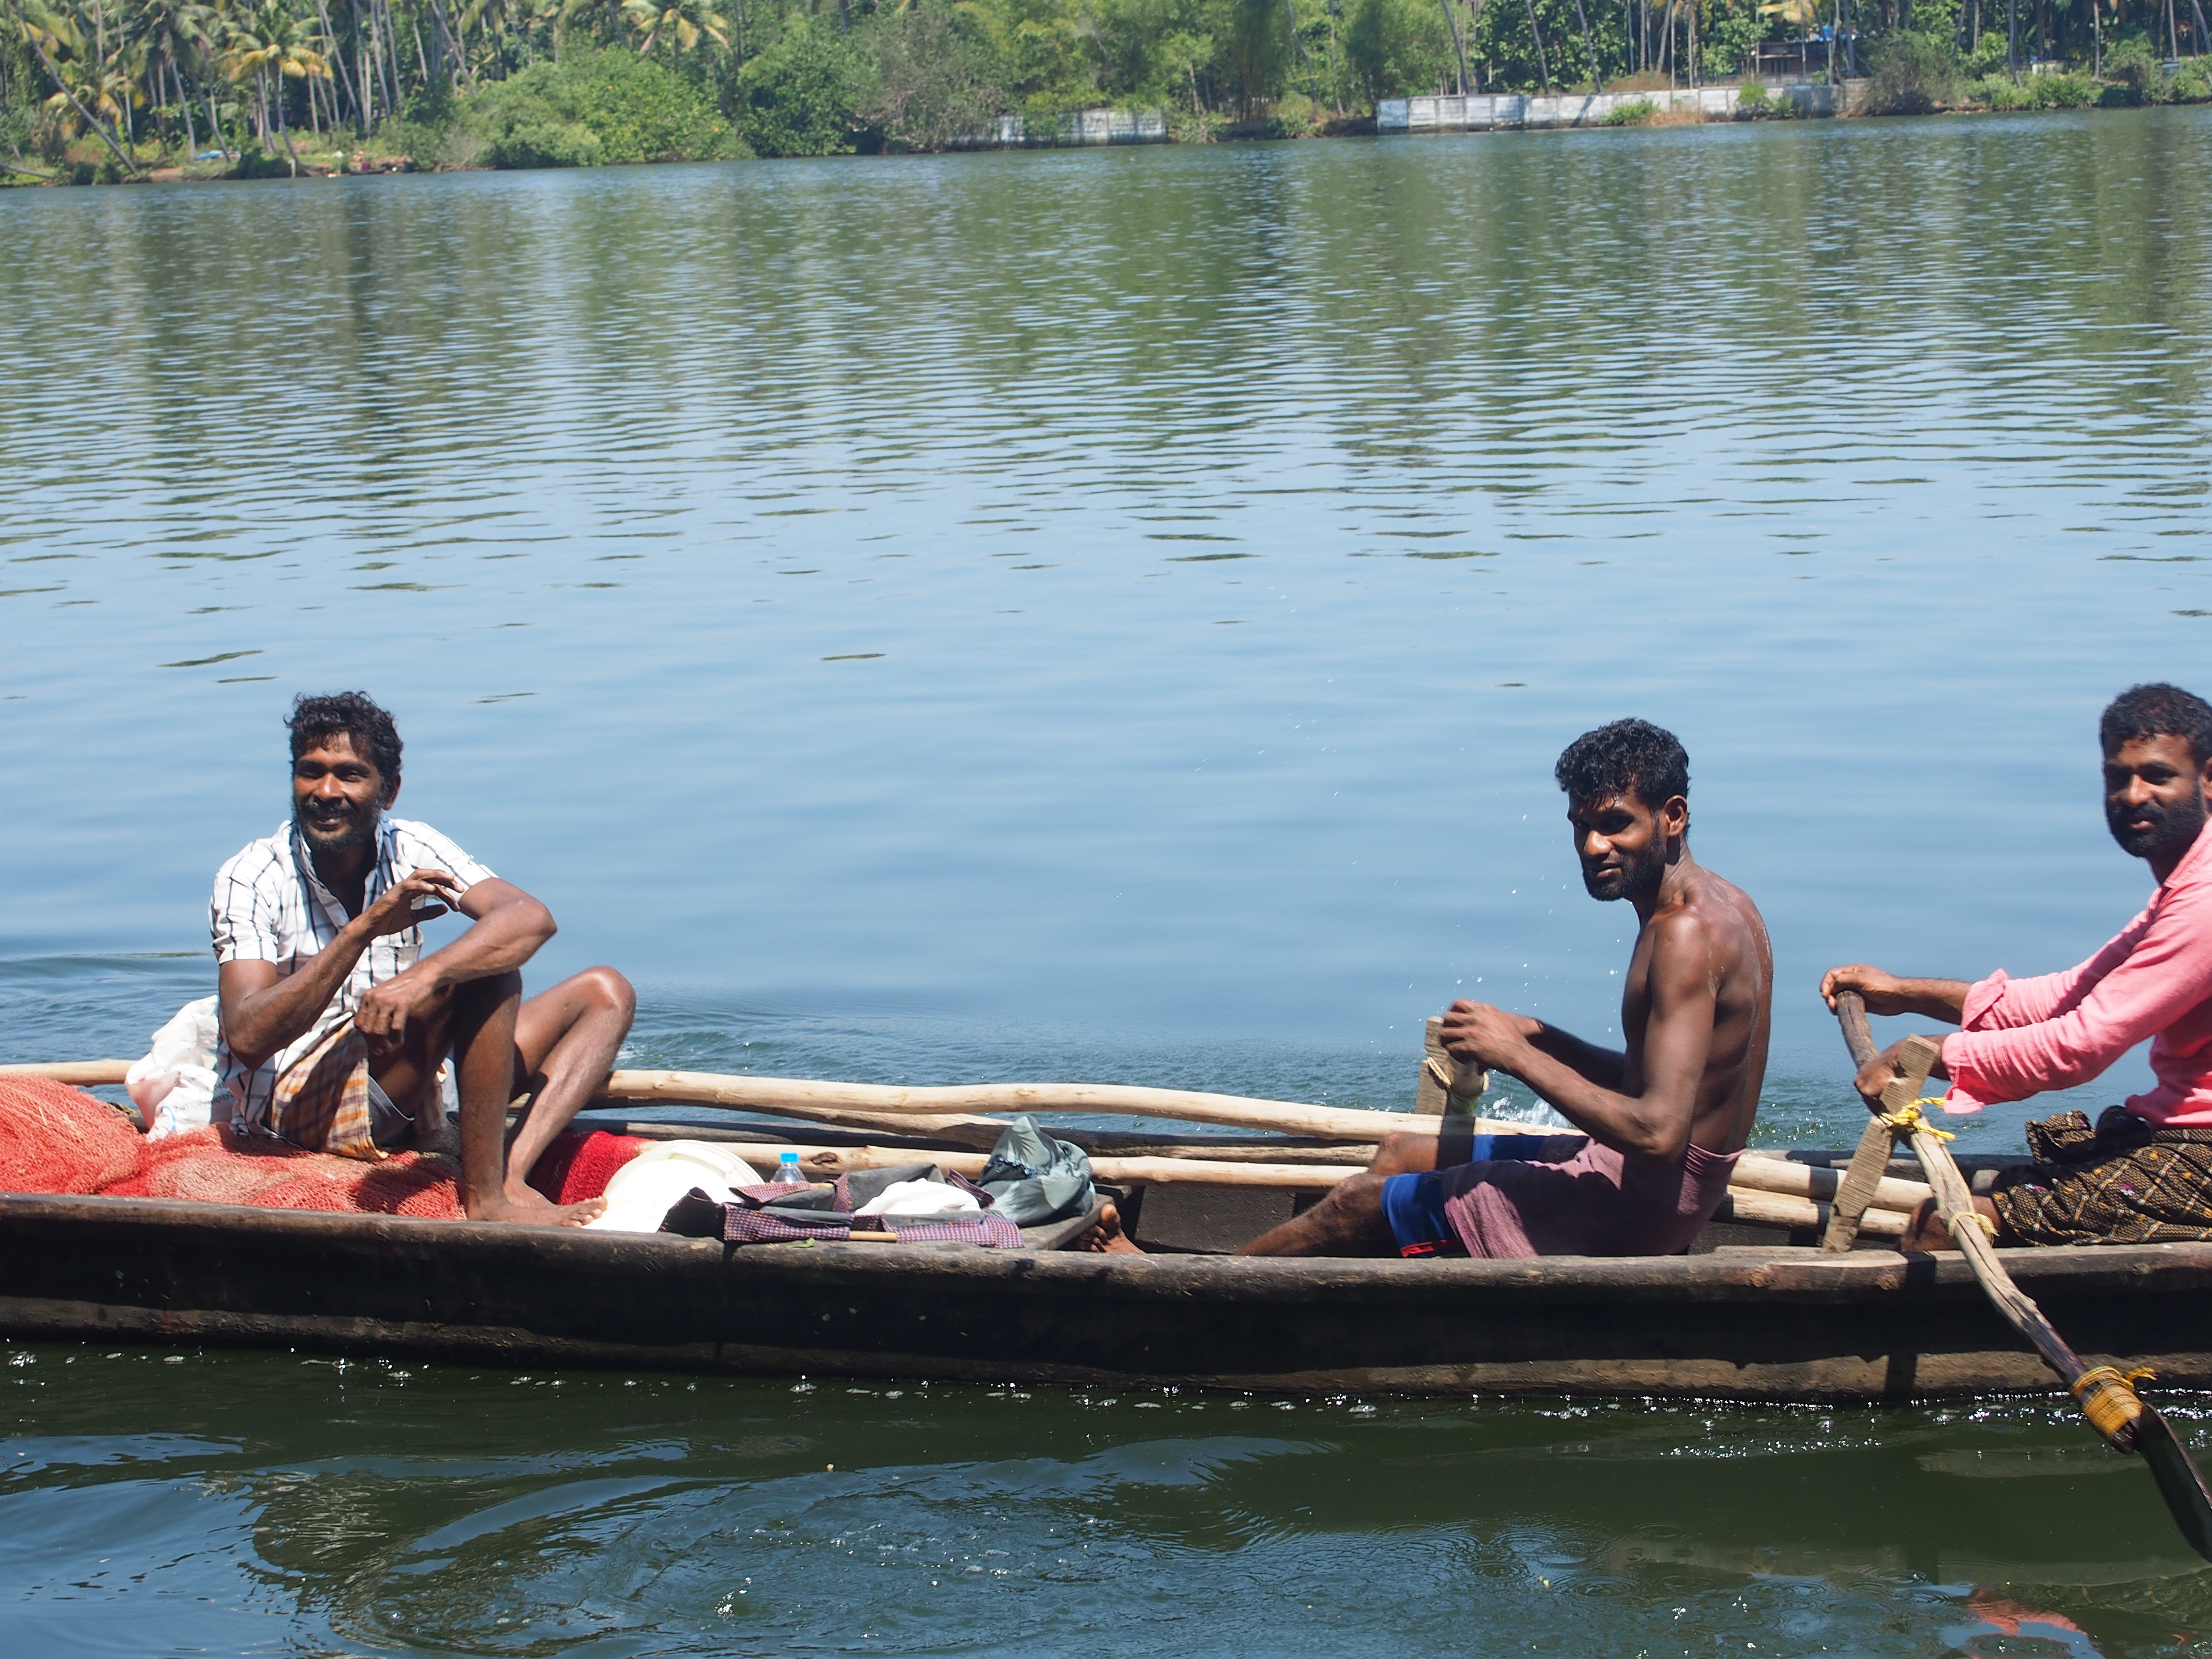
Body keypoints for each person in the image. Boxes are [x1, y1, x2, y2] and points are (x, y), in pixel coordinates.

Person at [1086, 718, 1773, 1258]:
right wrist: (1540, 1037)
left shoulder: (1682, 937)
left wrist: (1517, 1057)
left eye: (1615, 823)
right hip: (1647, 1180)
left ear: (1672, 816)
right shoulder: (1726, 905)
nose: (1593, 846)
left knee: (1358, 1205)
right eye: (1581, 827)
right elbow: (1654, 1080)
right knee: (1401, 1155)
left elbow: (1658, 1133)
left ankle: (1188, 1292)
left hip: (1638, 1209)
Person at [209, 691, 635, 1225]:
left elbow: (529, 918)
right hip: (294, 1107)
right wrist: (363, 930)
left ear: (388, 791)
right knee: (488, 977)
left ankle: (506, 1174)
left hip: (402, 1082)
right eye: (310, 772)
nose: (327, 792)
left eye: (350, 775)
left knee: (605, 993)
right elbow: (248, 1039)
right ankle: (486, 1203)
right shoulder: (251, 876)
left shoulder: (411, 846)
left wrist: (420, 979)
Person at [1827, 682, 2212, 1251]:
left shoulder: (2203, 902)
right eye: (2117, 777)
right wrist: (1905, 993)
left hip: (2202, 1160)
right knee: (2009, 1183)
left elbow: (2082, 1044)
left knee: (1943, 1225)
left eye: (2157, 776)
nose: (2133, 795)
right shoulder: (2184, 890)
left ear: (2208, 779)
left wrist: (1926, 1055)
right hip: (2181, 1140)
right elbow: (2069, 997)